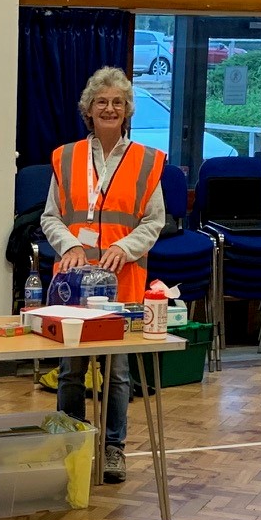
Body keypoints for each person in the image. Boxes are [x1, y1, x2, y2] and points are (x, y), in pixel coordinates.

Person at [40, 66, 166, 484]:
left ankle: (113, 449)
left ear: (127, 110)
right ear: (88, 110)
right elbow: (50, 217)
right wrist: (70, 245)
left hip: (122, 281)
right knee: (72, 369)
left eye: (118, 102)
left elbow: (153, 223)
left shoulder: (148, 162)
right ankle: (69, 441)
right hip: (72, 282)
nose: (110, 108)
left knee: (118, 372)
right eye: (102, 102)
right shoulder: (67, 156)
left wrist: (122, 248)